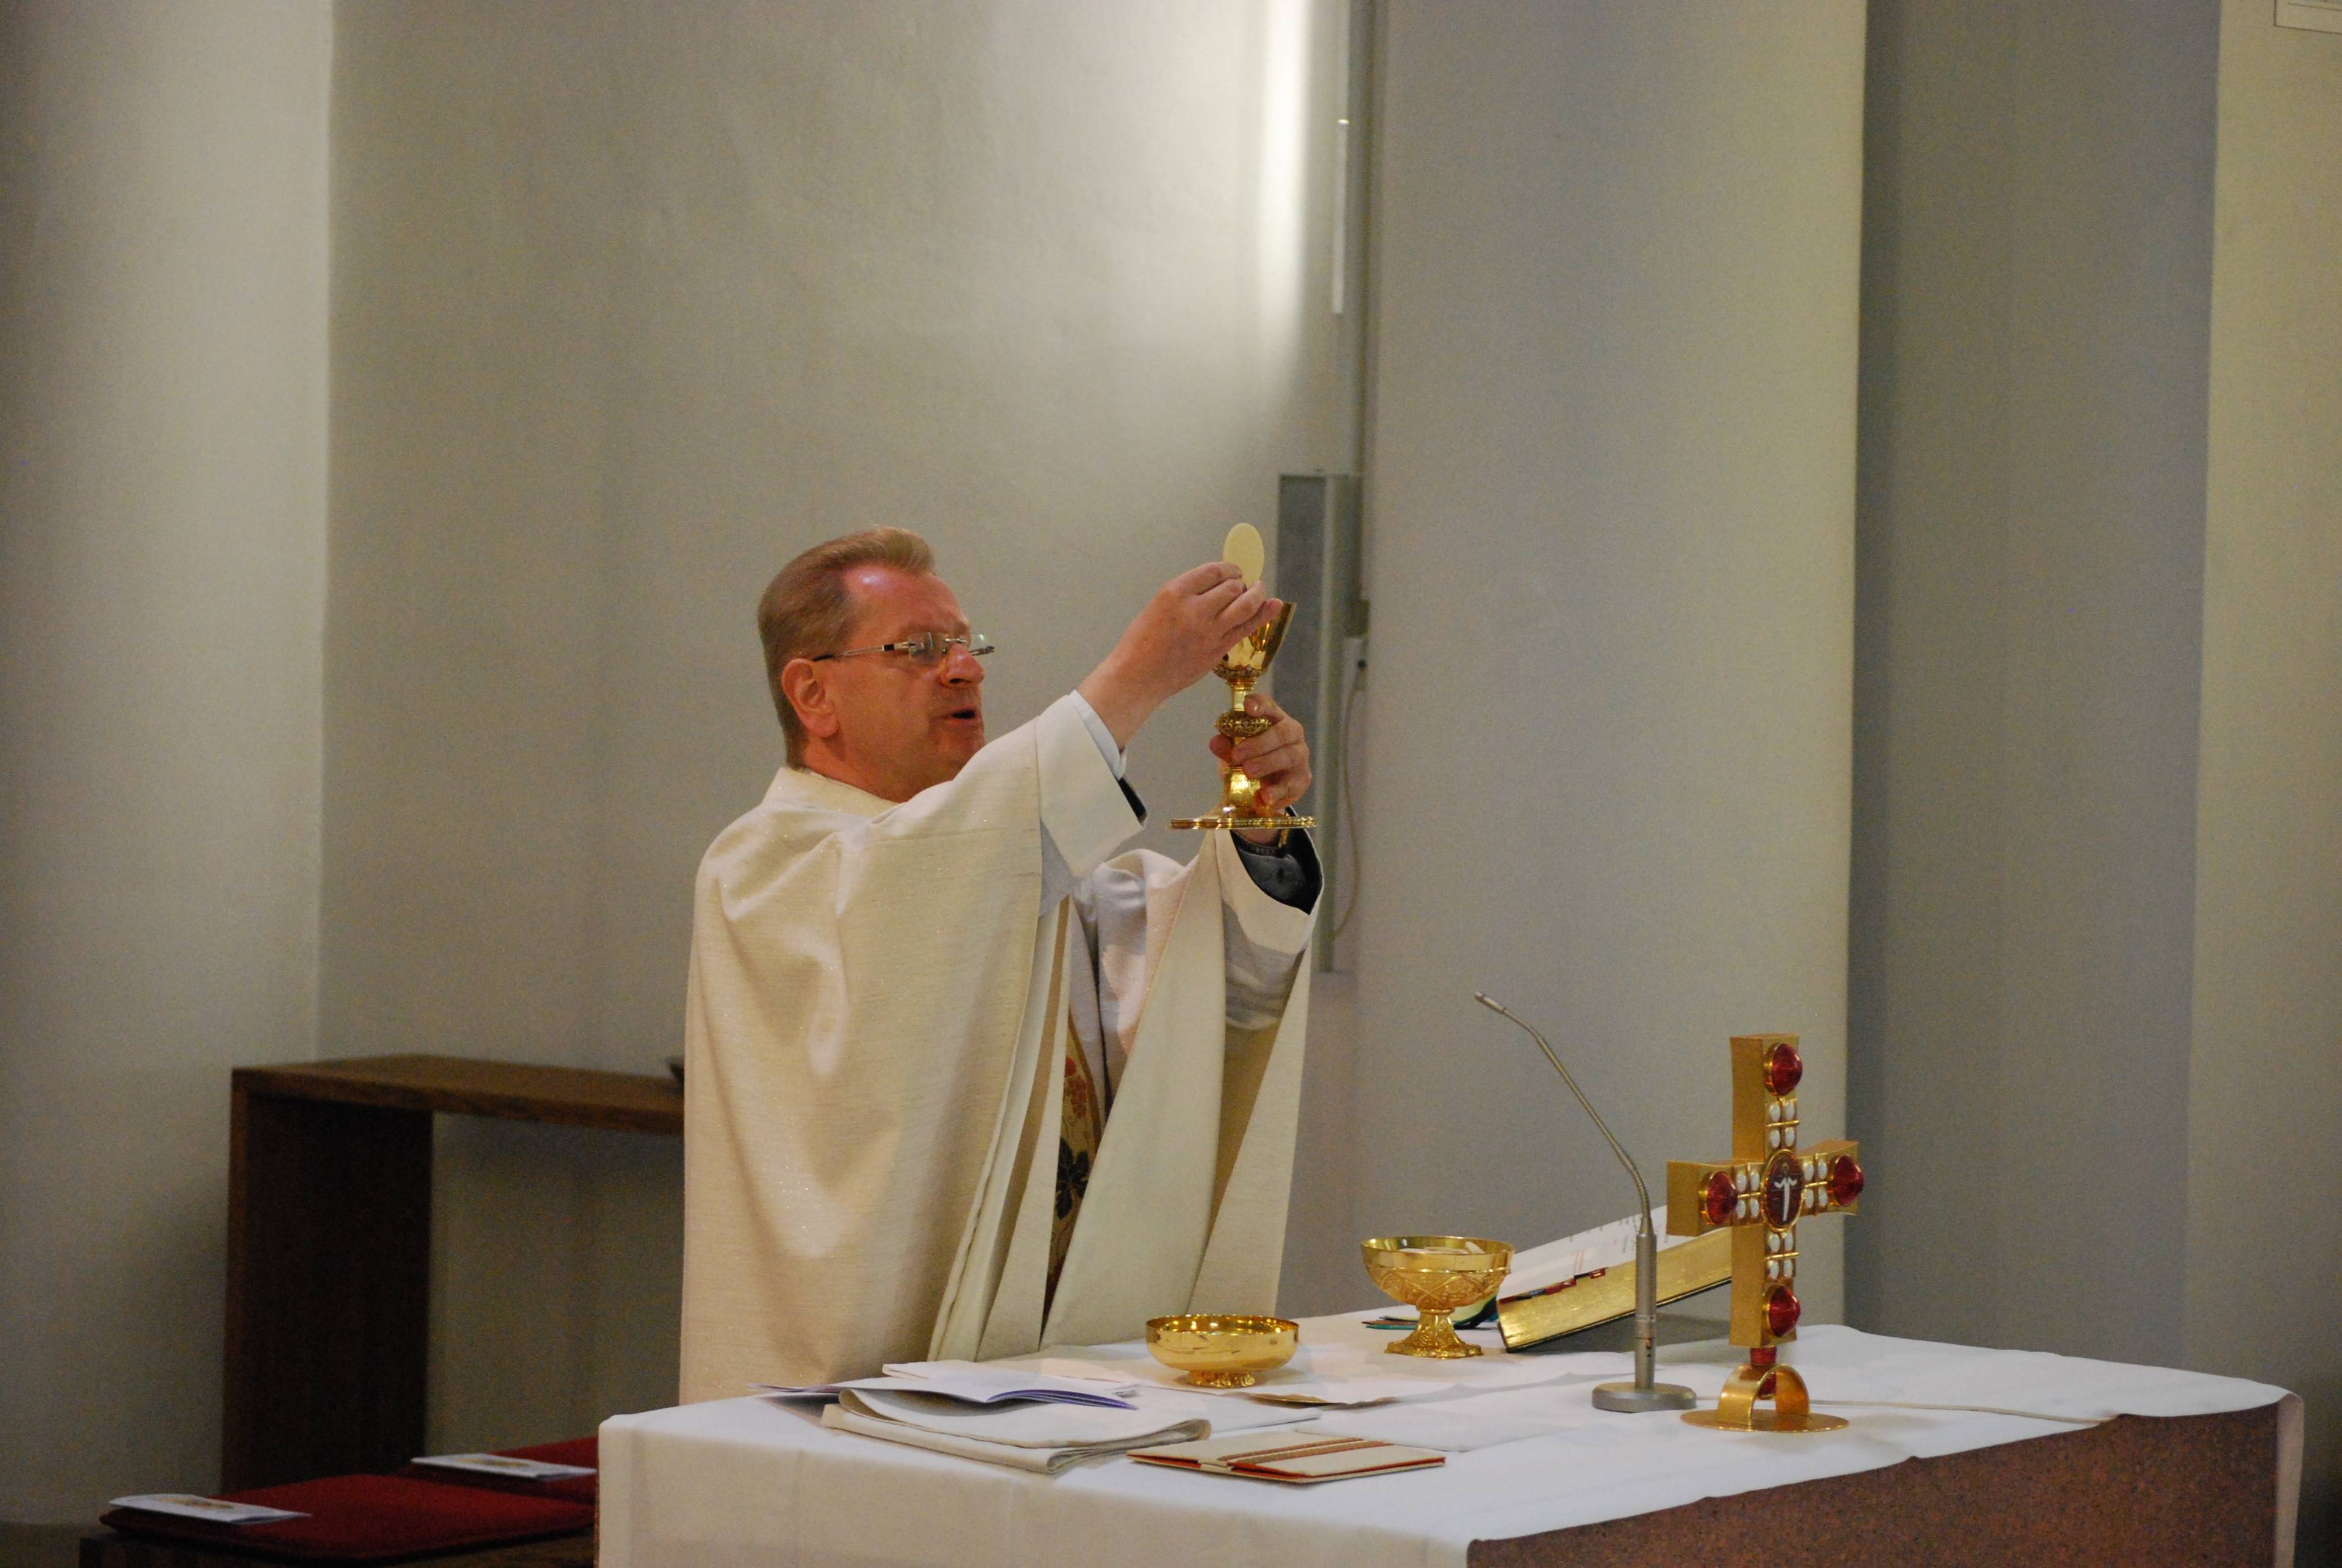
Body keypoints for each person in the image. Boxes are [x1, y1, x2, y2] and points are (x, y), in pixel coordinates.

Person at [678, 528, 1320, 1397]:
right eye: (919, 650)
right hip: (847, 1397)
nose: (964, 671)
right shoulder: (766, 869)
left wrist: (1261, 833)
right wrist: (1136, 677)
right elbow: (926, 876)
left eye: (967, 646)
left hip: (1045, 1368)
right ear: (813, 694)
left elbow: (1214, 1000)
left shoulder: (1013, 870)